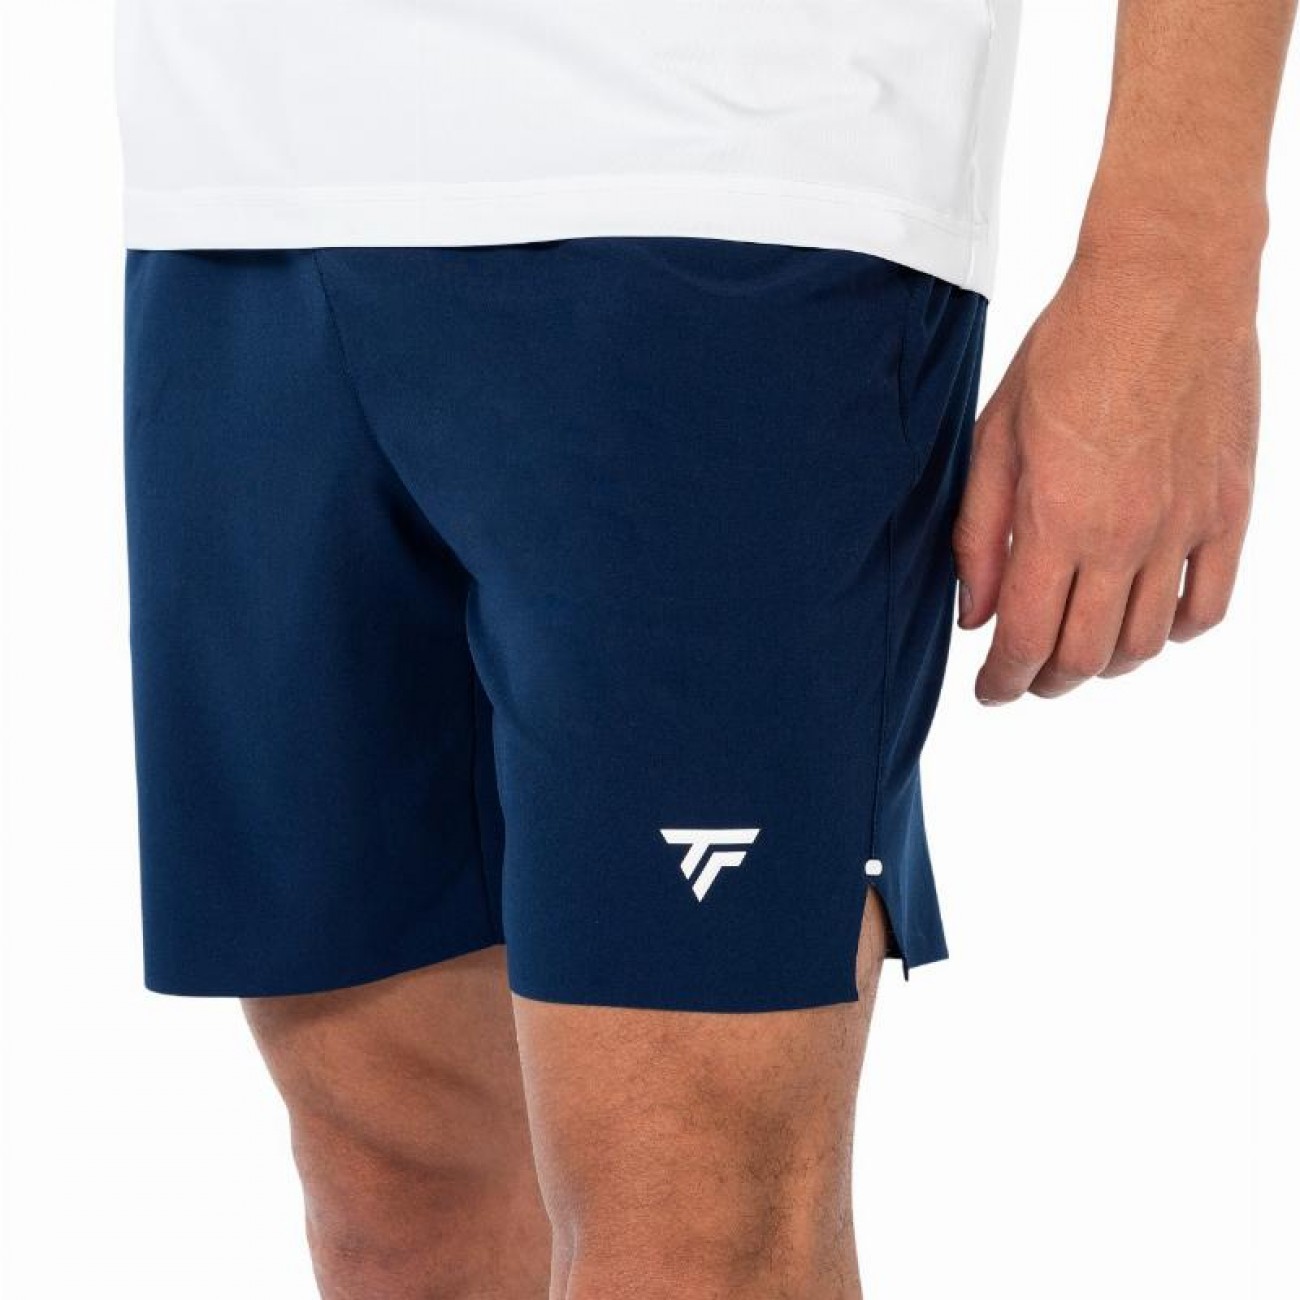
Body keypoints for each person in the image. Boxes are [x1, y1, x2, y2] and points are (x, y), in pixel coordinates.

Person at [115, 2, 1295, 1295]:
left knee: (700, 1228)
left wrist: (1173, 258)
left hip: (737, 180)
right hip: (233, 191)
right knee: (392, 1192)